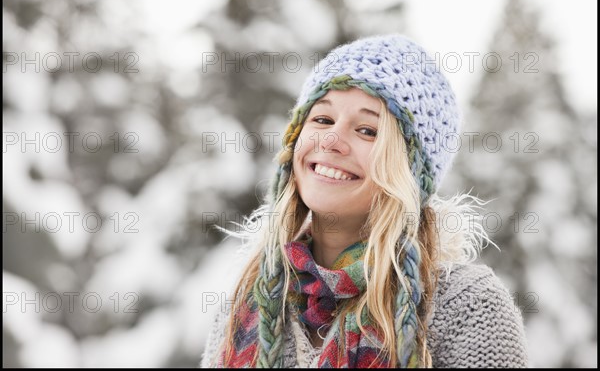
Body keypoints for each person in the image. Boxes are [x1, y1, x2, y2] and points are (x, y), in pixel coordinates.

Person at [200, 34, 529, 368]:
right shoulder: (244, 307)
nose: (331, 140)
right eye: (322, 119)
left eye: (367, 131)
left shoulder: (465, 305)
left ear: (410, 171)